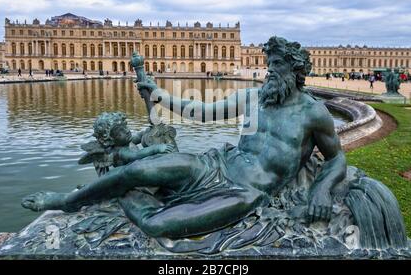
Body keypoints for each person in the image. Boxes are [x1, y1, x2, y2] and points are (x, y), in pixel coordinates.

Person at [22, 37, 347, 239]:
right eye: (269, 66)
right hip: (216, 165)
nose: (269, 72)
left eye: (277, 67)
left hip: (248, 191)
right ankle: (66, 201)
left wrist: (321, 189)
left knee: (158, 225)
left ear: (296, 70)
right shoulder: (255, 97)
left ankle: (115, 196)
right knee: (136, 171)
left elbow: (337, 158)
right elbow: (203, 111)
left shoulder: (313, 113)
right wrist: (162, 96)